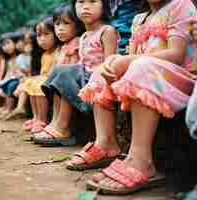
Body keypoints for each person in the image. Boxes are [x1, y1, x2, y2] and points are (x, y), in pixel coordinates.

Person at [76, 0, 197, 194]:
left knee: (141, 67)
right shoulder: (140, 19)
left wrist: (128, 61)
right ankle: (106, 143)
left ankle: (141, 160)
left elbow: (177, 55)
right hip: (148, 75)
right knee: (103, 69)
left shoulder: (181, 5)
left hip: (181, 79)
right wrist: (115, 64)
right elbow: (132, 57)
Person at [38, 0, 118, 146]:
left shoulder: (107, 31)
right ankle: (55, 122)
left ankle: (63, 127)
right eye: (80, 2)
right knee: (59, 70)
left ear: (105, 5)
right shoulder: (84, 36)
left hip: (96, 83)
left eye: (93, 1)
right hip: (83, 80)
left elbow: (109, 64)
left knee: (66, 72)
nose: (85, 7)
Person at [32, 4, 85, 145]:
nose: (60, 28)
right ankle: (54, 122)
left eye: (66, 23)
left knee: (61, 76)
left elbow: (74, 69)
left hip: (74, 85)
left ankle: (62, 126)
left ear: (78, 25)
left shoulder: (76, 43)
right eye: (57, 24)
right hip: (62, 88)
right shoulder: (64, 46)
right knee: (56, 80)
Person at [21, 17, 59, 134]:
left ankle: (42, 120)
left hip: (52, 82)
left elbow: (53, 73)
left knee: (39, 83)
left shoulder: (58, 51)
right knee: (30, 81)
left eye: (46, 34)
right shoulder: (44, 54)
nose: (42, 39)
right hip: (45, 80)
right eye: (39, 35)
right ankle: (36, 117)